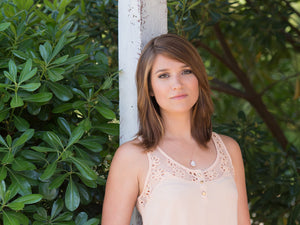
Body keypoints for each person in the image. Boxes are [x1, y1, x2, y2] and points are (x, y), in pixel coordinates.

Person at [102, 33, 251, 225]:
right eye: (164, 75)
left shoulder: (229, 149)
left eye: (186, 71)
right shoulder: (132, 157)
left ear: (199, 77)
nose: (177, 84)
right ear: (149, 88)